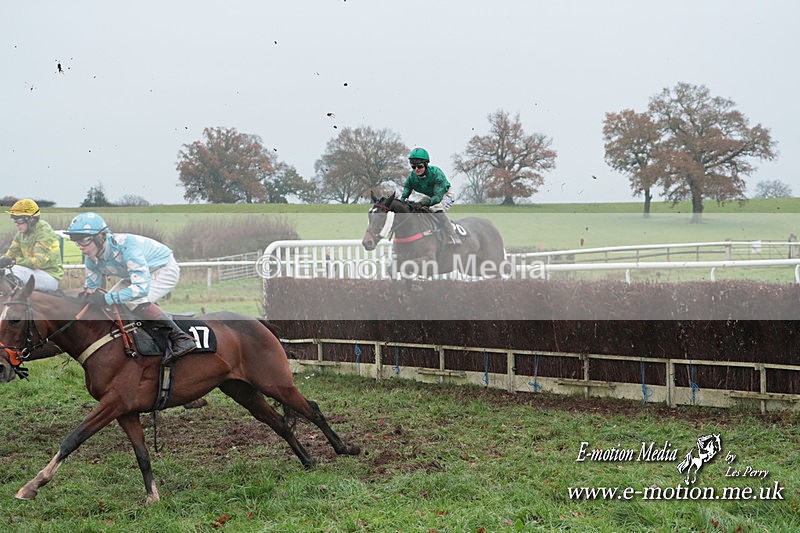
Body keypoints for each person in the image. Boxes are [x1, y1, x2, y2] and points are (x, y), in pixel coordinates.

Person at [65, 212, 196, 365]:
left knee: (134, 300)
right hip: (137, 275)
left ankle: (181, 338)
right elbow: (93, 290)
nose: (81, 247)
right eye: (77, 242)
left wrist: (106, 298)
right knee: (110, 305)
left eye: (84, 241)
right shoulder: (90, 259)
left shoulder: (127, 246)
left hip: (163, 269)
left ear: (100, 237)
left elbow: (140, 289)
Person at [399, 147, 461, 245]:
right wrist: (402, 200)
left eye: (419, 166)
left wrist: (423, 202)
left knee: (435, 208)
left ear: (426, 164)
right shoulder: (412, 176)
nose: (416, 169)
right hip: (431, 196)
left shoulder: (436, 173)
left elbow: (437, 198)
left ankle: (453, 235)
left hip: (445, 194)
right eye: (413, 167)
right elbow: (407, 187)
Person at [0, 199, 63, 291]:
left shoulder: (44, 233)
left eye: (20, 221)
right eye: (15, 221)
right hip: (33, 273)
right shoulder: (20, 234)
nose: (17, 224)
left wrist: (13, 261)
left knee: (13, 270)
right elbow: (10, 255)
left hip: (50, 277)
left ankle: (14, 296)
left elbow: (37, 262)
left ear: (31, 219)